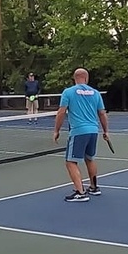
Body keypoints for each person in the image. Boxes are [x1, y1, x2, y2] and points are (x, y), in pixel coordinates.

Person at [53, 67, 112, 202]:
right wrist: (106, 131)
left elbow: (61, 112)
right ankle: (94, 187)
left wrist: (56, 130)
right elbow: (102, 113)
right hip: (93, 131)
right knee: (89, 158)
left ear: (74, 78)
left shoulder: (68, 92)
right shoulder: (95, 93)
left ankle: (80, 192)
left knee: (70, 162)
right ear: (87, 78)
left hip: (78, 131)